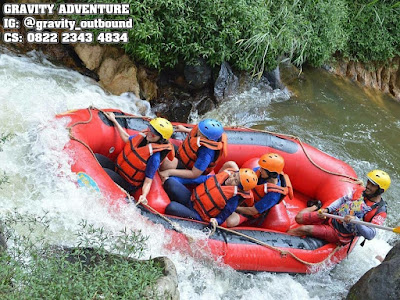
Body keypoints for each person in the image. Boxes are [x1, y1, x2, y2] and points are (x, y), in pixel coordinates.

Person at [287, 170, 390, 245]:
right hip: (332, 216)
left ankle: (282, 243)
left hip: (340, 233)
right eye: (368, 182)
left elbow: (370, 234)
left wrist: (356, 220)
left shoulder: (380, 212)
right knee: (299, 218)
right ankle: (316, 206)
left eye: (372, 185)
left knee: (305, 229)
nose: (368, 186)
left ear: (380, 190)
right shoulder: (361, 191)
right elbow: (342, 200)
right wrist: (327, 209)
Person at [95, 112, 174, 204]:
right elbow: (126, 139)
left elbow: (148, 181)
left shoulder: (154, 158)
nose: (149, 133)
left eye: (154, 134)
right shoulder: (143, 138)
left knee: (103, 172)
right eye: (150, 129)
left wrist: (144, 195)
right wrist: (114, 120)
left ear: (161, 139)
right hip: (118, 168)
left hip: (126, 182)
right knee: (96, 157)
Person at [164, 168, 258, 227]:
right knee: (170, 182)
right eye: (234, 175)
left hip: (198, 215)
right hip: (192, 199)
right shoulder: (223, 177)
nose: (231, 179)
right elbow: (201, 179)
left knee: (172, 207)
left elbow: (225, 214)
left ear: (239, 188)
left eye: (235, 181)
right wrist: (177, 179)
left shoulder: (233, 198)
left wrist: (217, 220)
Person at [225, 153, 293, 227]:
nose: (259, 169)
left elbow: (253, 211)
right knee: (230, 164)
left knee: (230, 222)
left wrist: (233, 208)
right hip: (242, 192)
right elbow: (244, 179)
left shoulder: (273, 195)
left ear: (271, 174)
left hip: (247, 207)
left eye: (263, 169)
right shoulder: (261, 172)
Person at [159, 118, 227, 182]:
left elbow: (194, 174)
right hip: (183, 154)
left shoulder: (206, 154)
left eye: (200, 132)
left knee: (166, 163)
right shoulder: (205, 136)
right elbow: (197, 134)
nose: (197, 131)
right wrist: (184, 129)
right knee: (162, 144)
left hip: (188, 167)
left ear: (207, 138)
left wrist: (169, 172)